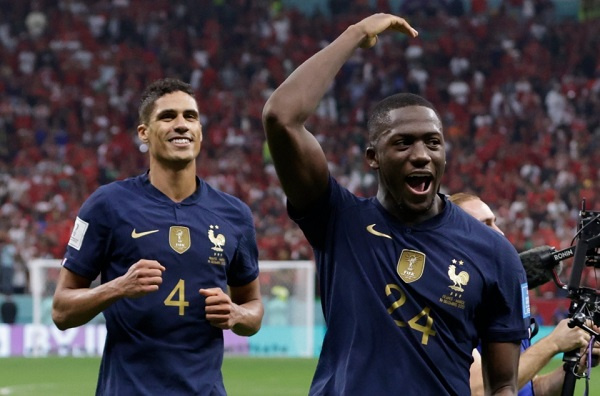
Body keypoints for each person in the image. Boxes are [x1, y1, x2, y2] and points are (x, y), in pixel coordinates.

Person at [262, 13, 529, 395]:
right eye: (403, 143)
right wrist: (354, 35)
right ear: (373, 156)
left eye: (433, 142)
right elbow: (280, 117)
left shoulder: (494, 253)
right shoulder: (338, 221)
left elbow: (502, 386)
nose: (421, 155)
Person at [52, 78, 264, 395]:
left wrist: (237, 314)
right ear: (144, 133)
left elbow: (253, 306)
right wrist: (118, 287)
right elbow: (61, 311)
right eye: (168, 117)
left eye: (190, 117)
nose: (181, 125)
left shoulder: (234, 215)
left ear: (200, 133)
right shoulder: (107, 205)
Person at [449, 192, 600, 396]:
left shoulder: (502, 302)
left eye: (495, 222)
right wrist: (553, 343)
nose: (499, 233)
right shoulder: (451, 306)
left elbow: (532, 389)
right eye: (485, 225)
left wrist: (574, 366)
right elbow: (478, 390)